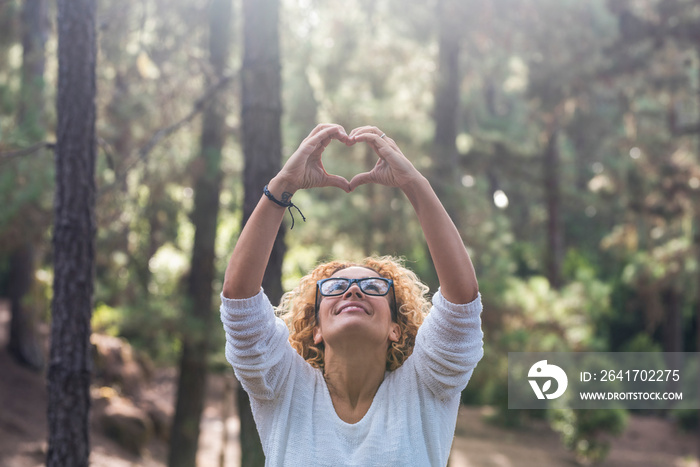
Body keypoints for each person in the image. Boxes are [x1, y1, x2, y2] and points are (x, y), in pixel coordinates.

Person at [221, 123, 484, 466]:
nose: (354, 290)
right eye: (336, 288)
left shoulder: (427, 386)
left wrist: (414, 183)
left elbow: (462, 304)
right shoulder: (284, 387)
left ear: (396, 327)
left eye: (374, 287)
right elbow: (239, 301)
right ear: (315, 328)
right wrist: (283, 185)